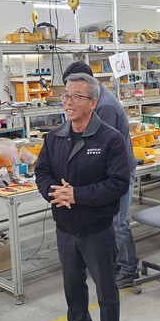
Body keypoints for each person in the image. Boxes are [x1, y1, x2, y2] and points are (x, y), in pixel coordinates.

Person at [35, 72, 130, 321]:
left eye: (77, 97)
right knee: (73, 287)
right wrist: (57, 194)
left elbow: (118, 183)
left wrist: (77, 195)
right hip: (65, 228)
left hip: (97, 230)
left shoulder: (110, 139)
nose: (69, 102)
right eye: (66, 96)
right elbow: (42, 173)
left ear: (92, 102)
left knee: (106, 291)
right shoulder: (54, 137)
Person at [62, 61, 139, 288]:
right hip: (109, 168)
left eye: (76, 93)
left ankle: (128, 269)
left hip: (118, 170)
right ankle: (113, 264)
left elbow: (100, 144)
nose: (71, 99)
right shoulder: (98, 98)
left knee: (118, 220)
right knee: (109, 219)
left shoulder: (104, 107)